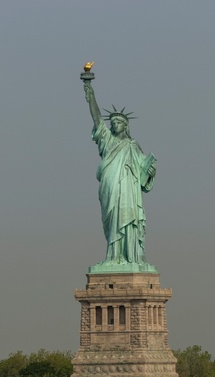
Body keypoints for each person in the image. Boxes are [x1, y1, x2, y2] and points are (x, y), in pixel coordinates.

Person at [83, 78, 157, 268]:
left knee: (127, 219)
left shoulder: (133, 147)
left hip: (129, 191)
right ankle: (113, 256)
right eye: (113, 122)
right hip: (110, 186)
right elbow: (97, 119)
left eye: (119, 122)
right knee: (113, 220)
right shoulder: (107, 141)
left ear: (126, 126)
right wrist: (90, 92)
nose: (115, 125)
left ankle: (130, 257)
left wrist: (150, 171)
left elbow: (144, 177)